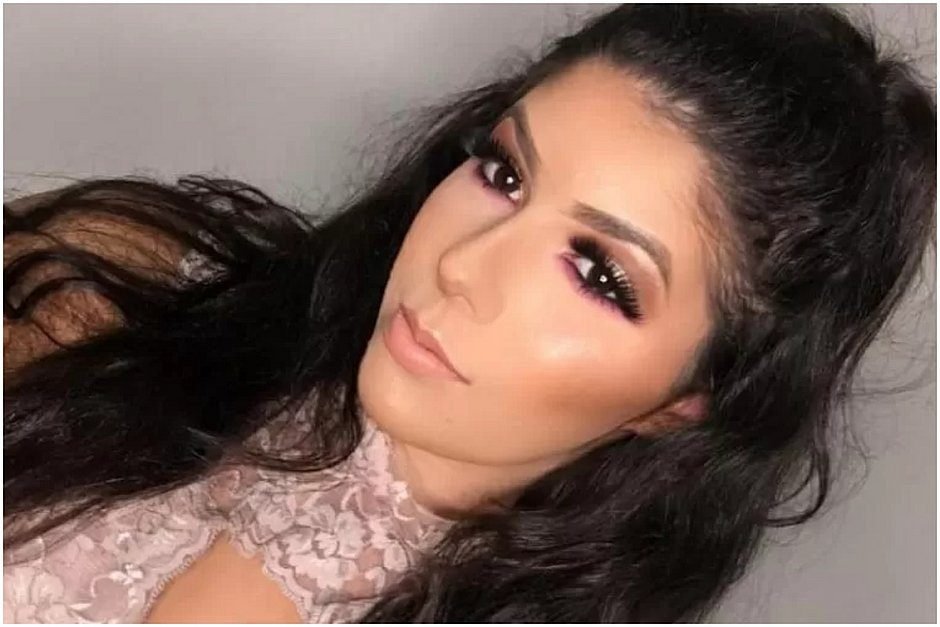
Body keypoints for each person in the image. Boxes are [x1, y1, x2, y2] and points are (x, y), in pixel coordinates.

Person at [3, 3, 935, 623]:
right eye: (504, 172)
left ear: (684, 399)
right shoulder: (128, 280)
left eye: (598, 273)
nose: (461, 264)